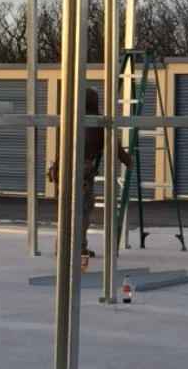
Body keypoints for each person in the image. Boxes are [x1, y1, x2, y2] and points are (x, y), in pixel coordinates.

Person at [46, 87, 133, 272]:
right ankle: (78, 248)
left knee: (66, 210)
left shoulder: (70, 118)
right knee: (82, 211)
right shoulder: (97, 122)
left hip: (63, 169)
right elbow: (114, 148)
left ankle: (62, 246)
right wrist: (129, 161)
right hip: (82, 171)